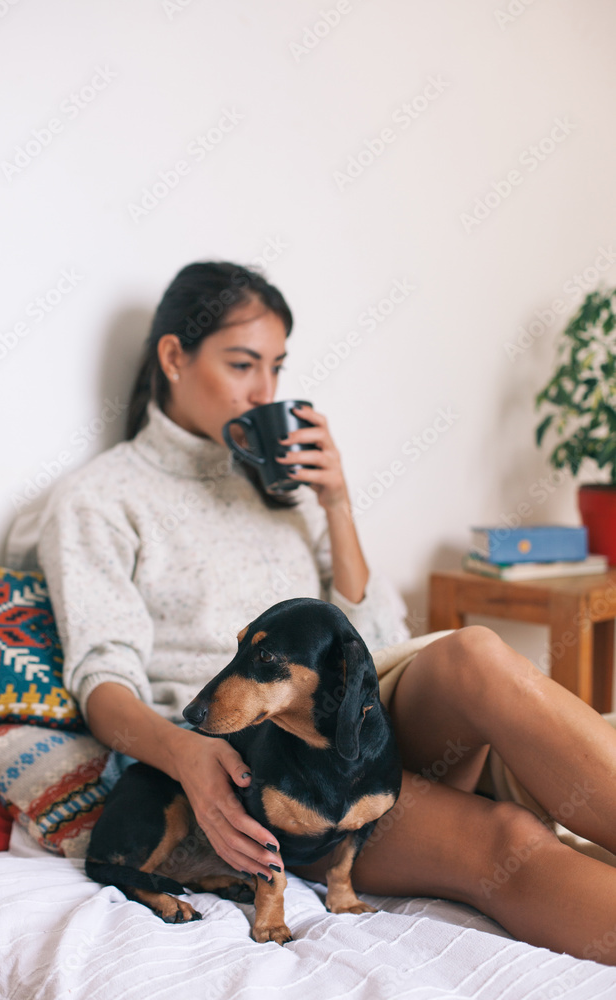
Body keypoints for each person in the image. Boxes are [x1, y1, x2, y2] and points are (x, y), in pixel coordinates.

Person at [33, 260, 616, 966]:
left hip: (370, 717)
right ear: (173, 358)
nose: (264, 392)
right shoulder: (98, 500)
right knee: (508, 837)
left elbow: (381, 639)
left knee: (475, 654)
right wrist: (189, 756)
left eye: (276, 368)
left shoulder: (281, 494)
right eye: (242, 364)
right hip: (276, 763)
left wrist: (336, 503)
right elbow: (103, 681)